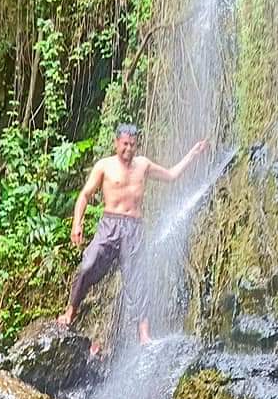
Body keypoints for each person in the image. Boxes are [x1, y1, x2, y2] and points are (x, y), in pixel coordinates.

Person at [58, 123, 209, 344]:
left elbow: (171, 175)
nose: (129, 148)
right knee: (88, 265)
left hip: (134, 228)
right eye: (125, 144)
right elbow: (84, 195)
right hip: (110, 225)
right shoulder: (104, 166)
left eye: (133, 144)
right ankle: (71, 310)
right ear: (116, 142)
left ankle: (144, 333)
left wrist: (193, 154)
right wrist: (77, 224)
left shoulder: (143, 165)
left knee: (137, 279)